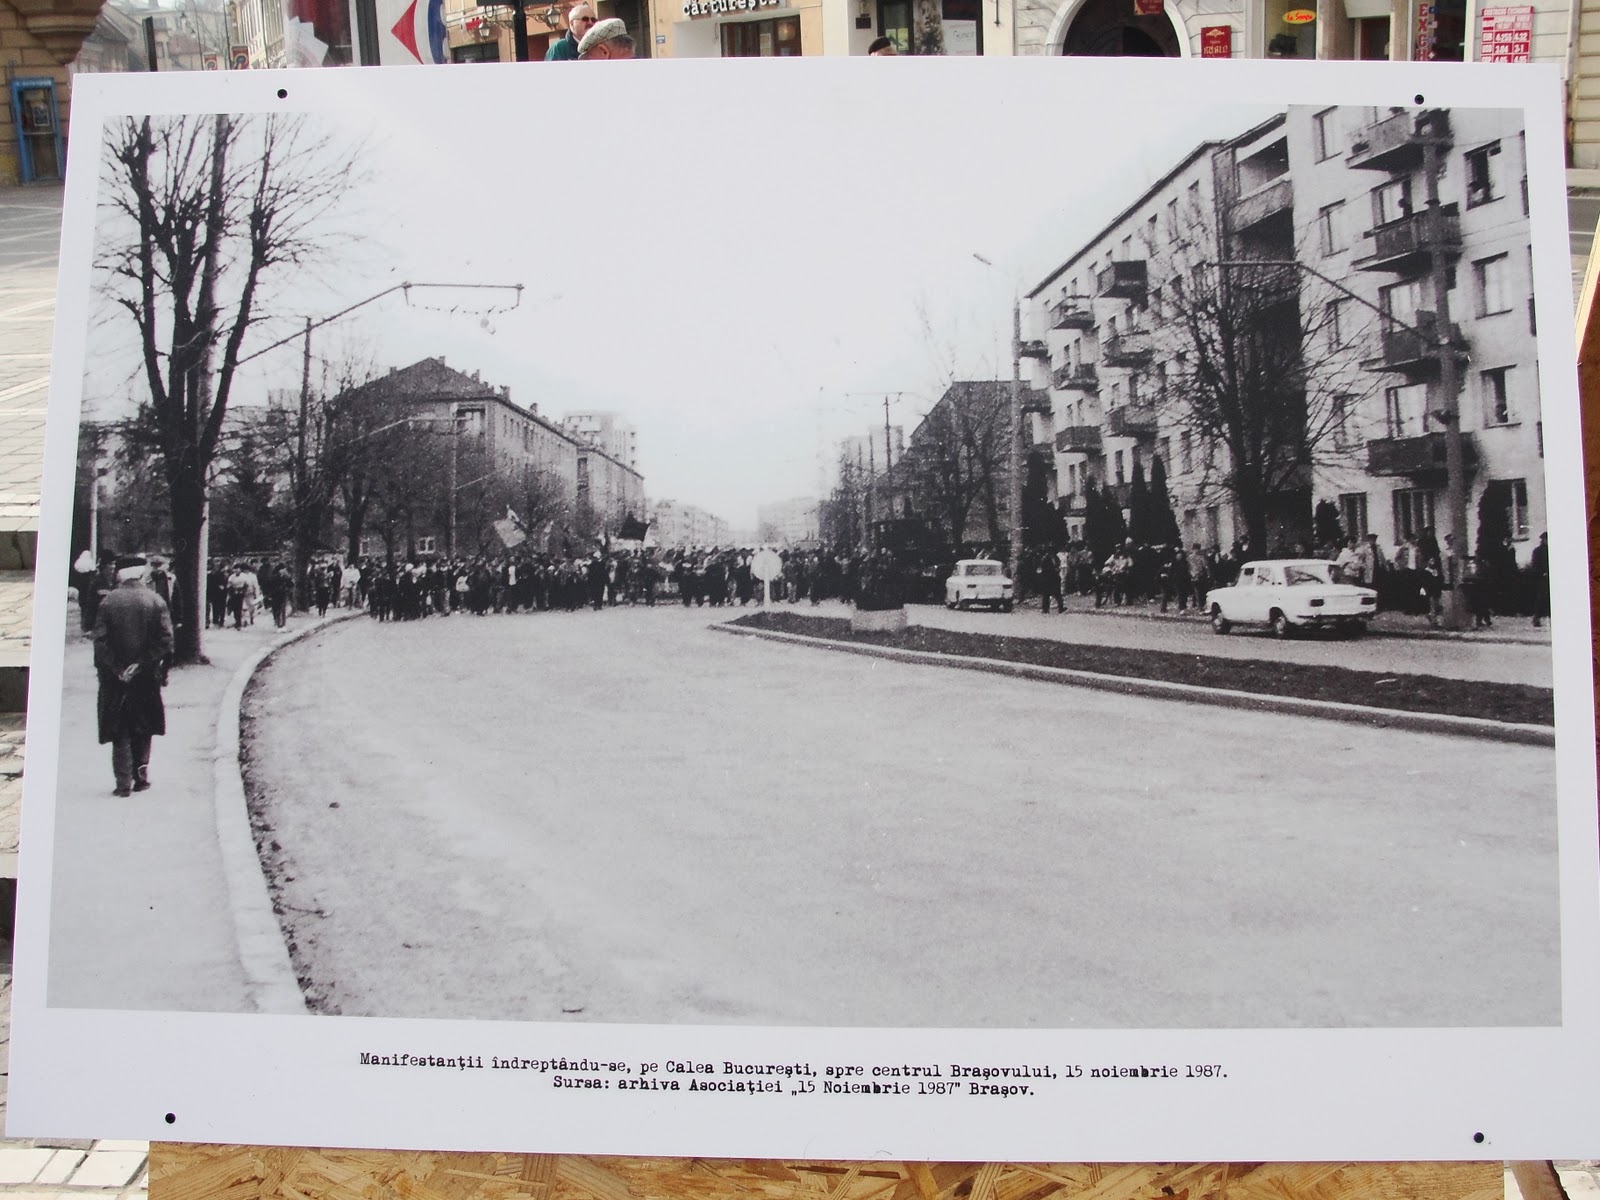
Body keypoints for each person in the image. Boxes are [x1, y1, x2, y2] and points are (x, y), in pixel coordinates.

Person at [93, 555, 174, 797]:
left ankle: (122, 783)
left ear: (120, 574)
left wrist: (118, 668)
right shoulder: (155, 600)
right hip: (146, 676)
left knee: (120, 728)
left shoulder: (108, 602)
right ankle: (141, 778)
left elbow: (100, 642)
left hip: (114, 678)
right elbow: (166, 641)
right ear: (140, 573)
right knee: (143, 726)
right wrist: (141, 664)